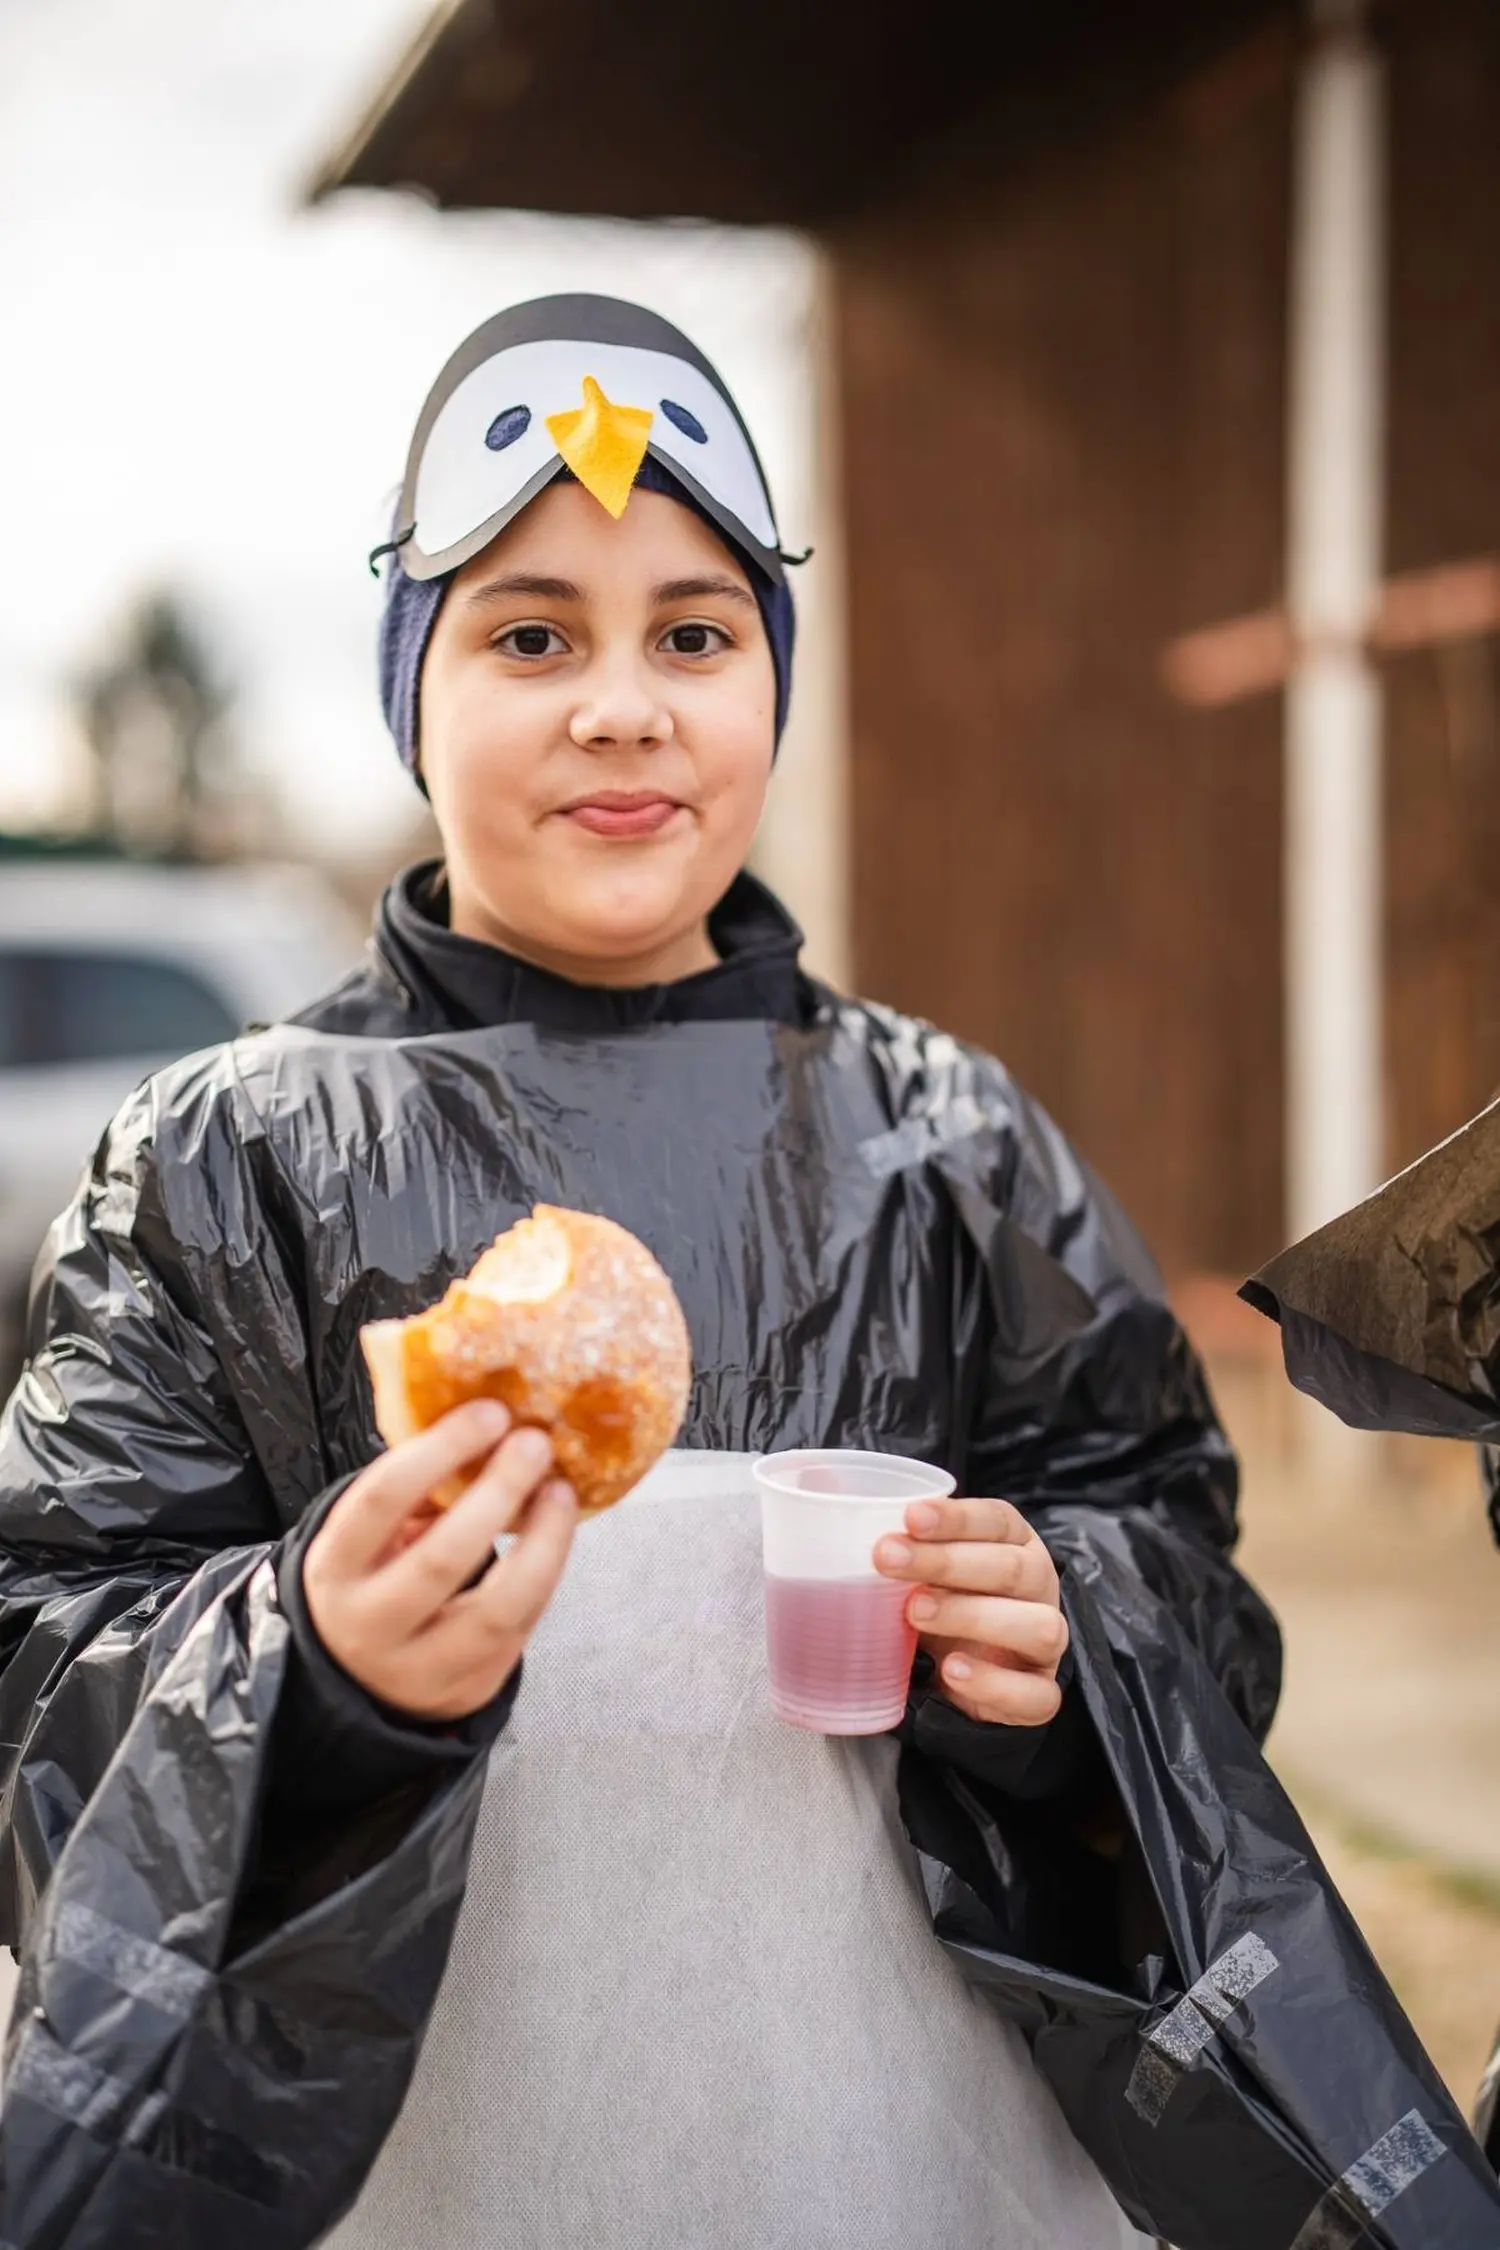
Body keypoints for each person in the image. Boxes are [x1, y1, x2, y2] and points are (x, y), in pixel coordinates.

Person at [1, 298, 1492, 2250]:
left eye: (696, 633)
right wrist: (318, 1664)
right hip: (418, 2167)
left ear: (772, 684)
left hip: (910, 2154)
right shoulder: (225, 1164)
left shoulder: (948, 1143)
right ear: (410, 689)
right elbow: (41, 1653)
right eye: (532, 632)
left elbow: (1190, 1583)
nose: (624, 702)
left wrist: (1060, 1645)